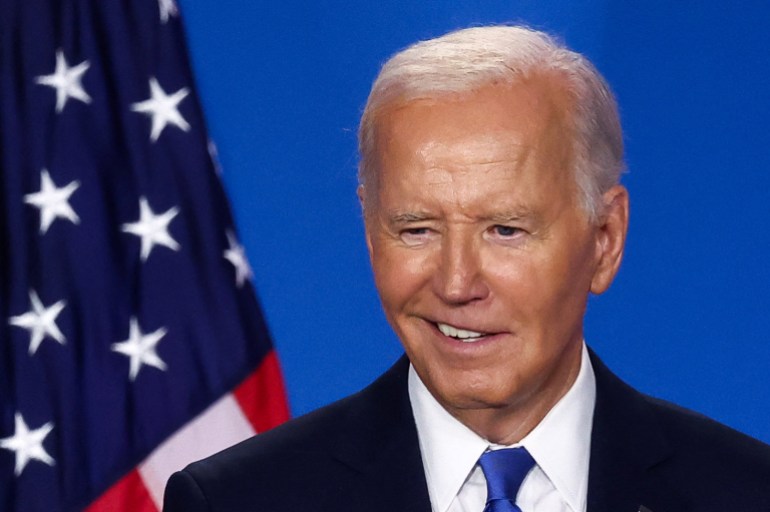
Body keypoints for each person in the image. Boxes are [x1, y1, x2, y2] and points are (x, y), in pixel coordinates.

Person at [163, 25, 770, 512]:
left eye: (505, 230)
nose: (456, 285)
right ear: (370, 231)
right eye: (417, 229)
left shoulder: (745, 492)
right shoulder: (237, 501)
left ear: (605, 240)